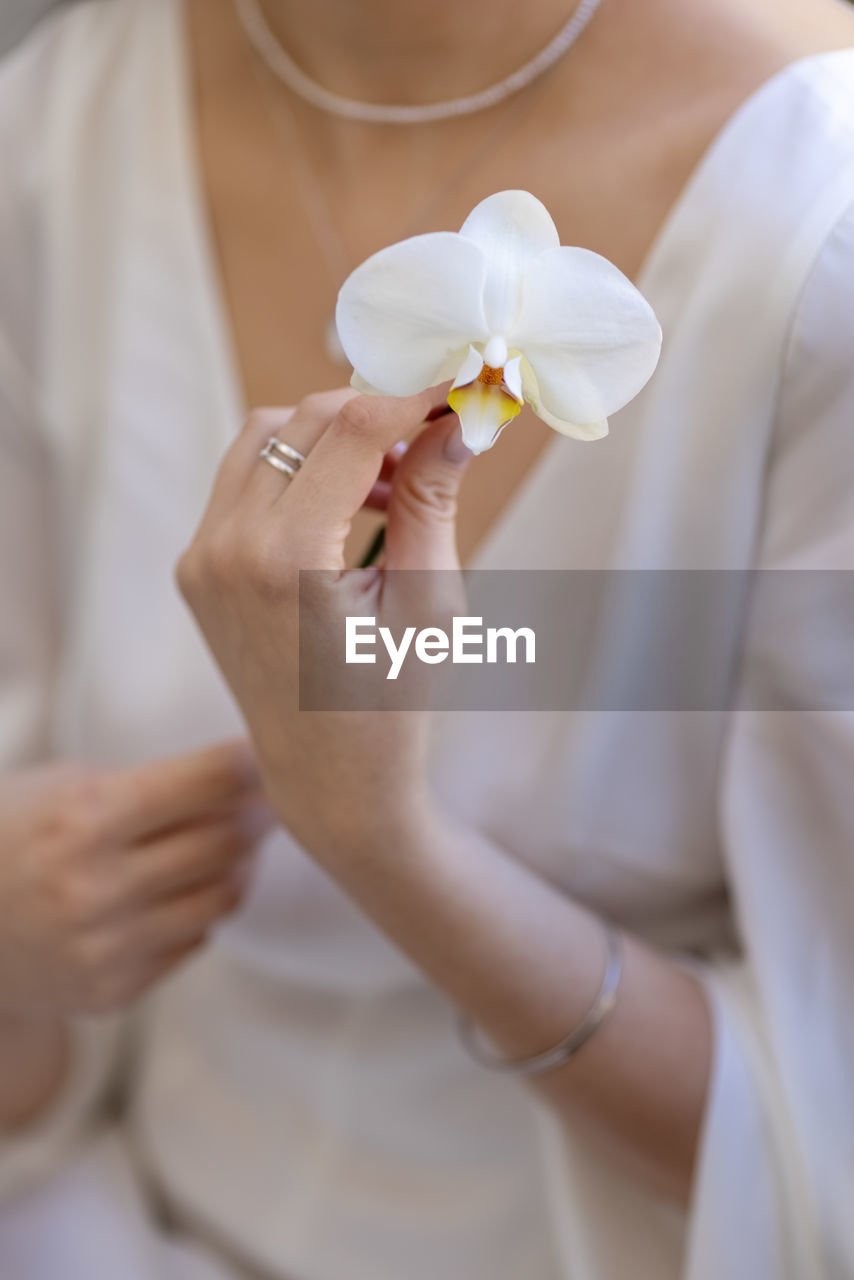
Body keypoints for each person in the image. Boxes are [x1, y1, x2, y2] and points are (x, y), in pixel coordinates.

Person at [1, 0, 853, 1277]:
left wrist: (378, 839)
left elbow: (819, 1147)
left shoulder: (808, 238)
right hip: (110, 1212)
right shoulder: (51, 139)